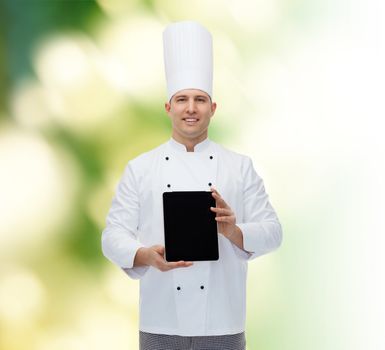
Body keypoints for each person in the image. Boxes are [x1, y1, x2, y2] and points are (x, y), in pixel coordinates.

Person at [101, 20, 282, 350]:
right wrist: (144, 255)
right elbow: (112, 236)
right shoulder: (140, 169)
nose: (191, 108)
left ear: (213, 108)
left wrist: (234, 231)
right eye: (182, 99)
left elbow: (273, 231)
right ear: (168, 107)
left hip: (223, 325)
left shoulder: (239, 167)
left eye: (200, 99)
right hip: (161, 321)